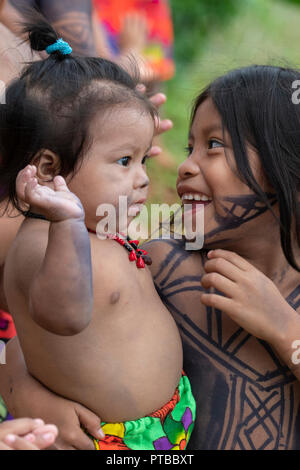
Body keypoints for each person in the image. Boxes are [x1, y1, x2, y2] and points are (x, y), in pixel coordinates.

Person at [2, 64, 300, 450]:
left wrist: (284, 328)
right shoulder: (161, 263)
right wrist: (27, 394)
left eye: (213, 145)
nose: (186, 165)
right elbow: (30, 340)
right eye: (189, 147)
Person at [0, 11, 195, 451]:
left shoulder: (100, 223)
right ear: (50, 169)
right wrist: (67, 223)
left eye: (143, 160)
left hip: (166, 424)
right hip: (107, 440)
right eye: (125, 161)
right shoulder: (43, 244)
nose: (143, 178)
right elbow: (65, 316)